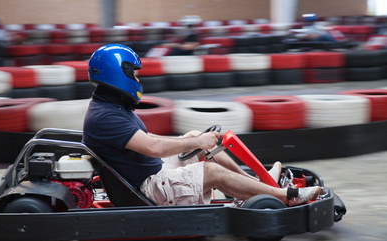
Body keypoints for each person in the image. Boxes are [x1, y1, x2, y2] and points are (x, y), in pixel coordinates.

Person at [82, 44, 322, 207]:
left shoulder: (110, 106)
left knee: (197, 139)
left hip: (152, 172)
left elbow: (143, 137)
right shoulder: (105, 116)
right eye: (133, 73)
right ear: (118, 73)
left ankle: (257, 185)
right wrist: (196, 143)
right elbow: (153, 148)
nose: (137, 79)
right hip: (147, 189)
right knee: (210, 168)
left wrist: (192, 141)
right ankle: (284, 196)